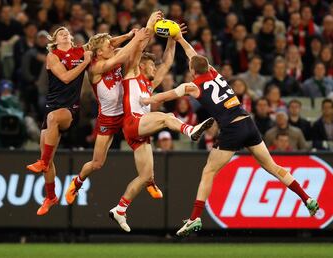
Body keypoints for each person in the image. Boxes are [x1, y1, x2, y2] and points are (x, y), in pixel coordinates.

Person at [141, 35, 319, 237]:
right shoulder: (215, 73)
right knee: (273, 167)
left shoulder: (193, 86)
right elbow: (194, 54)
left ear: (191, 71)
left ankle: (194, 218)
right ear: (207, 66)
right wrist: (180, 38)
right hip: (248, 122)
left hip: (232, 130)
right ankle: (307, 198)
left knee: (208, 172)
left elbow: (168, 95)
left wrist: (146, 98)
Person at [108, 23, 214, 233]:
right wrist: (147, 28)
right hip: (132, 123)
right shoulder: (131, 74)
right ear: (143, 65)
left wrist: (172, 39)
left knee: (145, 176)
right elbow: (136, 52)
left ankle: (120, 208)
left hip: (139, 132)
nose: (155, 69)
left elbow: (167, 62)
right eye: (151, 66)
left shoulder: (149, 85)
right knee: (166, 117)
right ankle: (189, 131)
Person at [64, 13, 161, 207]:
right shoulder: (96, 68)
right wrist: (134, 37)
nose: (113, 47)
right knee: (97, 163)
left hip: (127, 114)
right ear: (99, 52)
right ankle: (77, 181)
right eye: (109, 46)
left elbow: (126, 47)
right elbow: (123, 53)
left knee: (144, 144)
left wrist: (141, 31)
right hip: (107, 119)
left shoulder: (111, 53)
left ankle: (149, 179)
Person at [25, 27, 92, 216]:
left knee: (52, 121)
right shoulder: (52, 56)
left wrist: (128, 36)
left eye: (66, 32)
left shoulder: (81, 50)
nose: (64, 33)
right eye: (60, 32)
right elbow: (65, 77)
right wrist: (85, 62)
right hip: (53, 107)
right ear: (55, 40)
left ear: (70, 37)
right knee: (47, 154)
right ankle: (51, 196)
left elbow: (105, 42)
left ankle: (43, 162)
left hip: (70, 110)